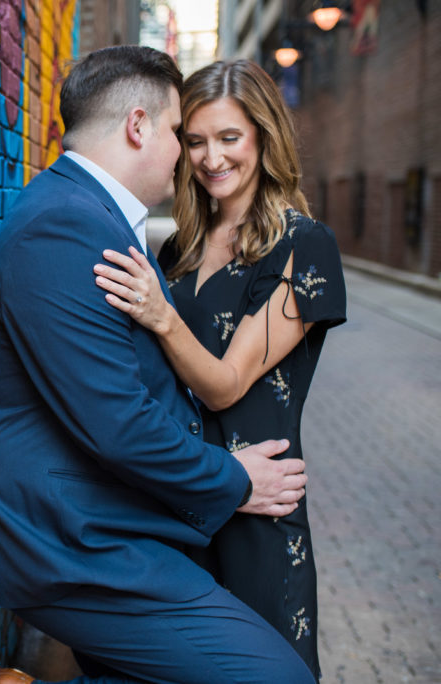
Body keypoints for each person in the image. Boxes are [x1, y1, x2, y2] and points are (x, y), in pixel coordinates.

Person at [0, 46, 315, 684]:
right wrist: (236, 479)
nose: (189, 156)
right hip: (78, 546)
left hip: (117, 524)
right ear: (138, 126)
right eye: (181, 135)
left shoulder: (93, 218)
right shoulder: (67, 228)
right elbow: (118, 424)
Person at [92, 59, 346, 679]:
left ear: (263, 136)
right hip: (181, 499)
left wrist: (161, 314)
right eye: (196, 140)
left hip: (258, 507)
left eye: (229, 138)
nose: (211, 159)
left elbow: (227, 382)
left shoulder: (302, 245)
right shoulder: (177, 248)